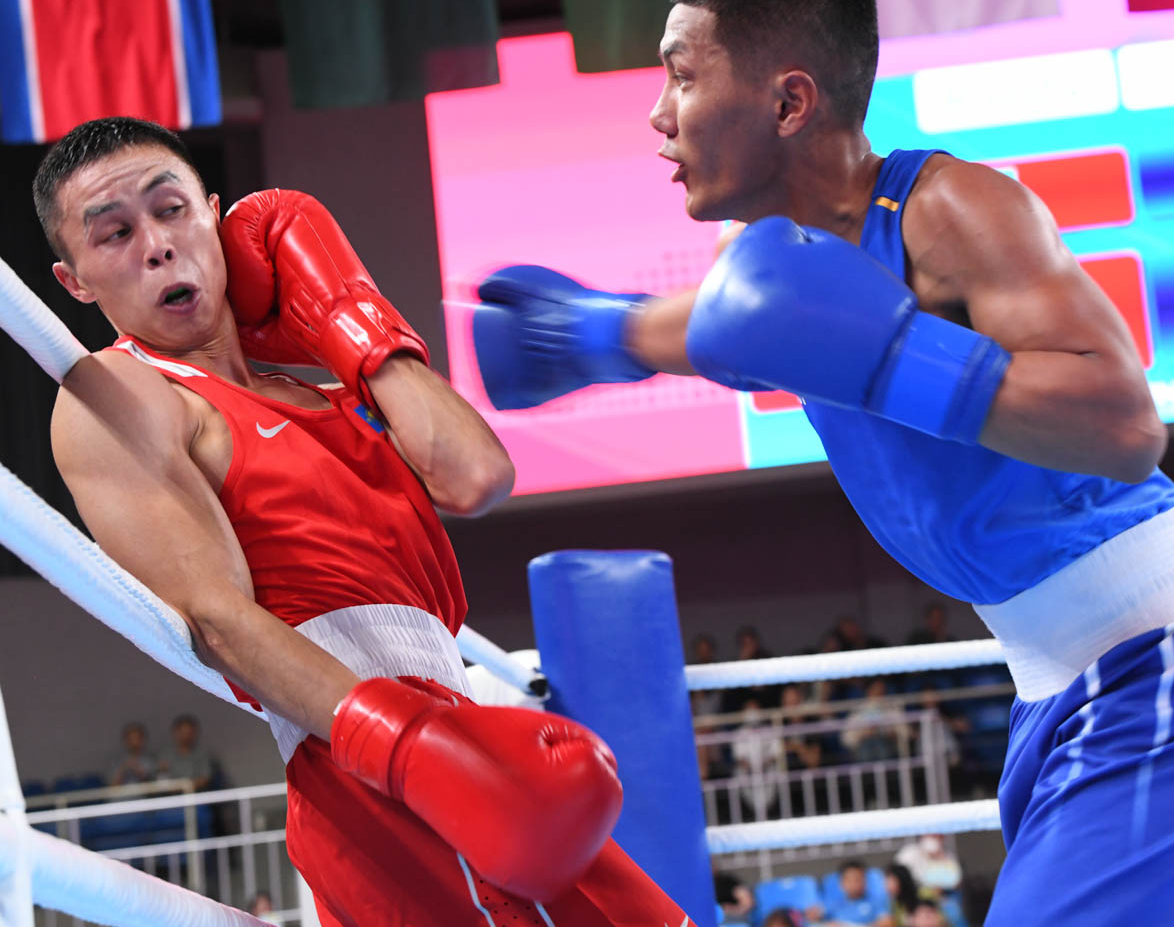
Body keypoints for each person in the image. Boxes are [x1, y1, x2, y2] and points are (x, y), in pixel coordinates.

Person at [468, 0, 1174, 925]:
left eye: (682, 75)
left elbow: (1123, 421)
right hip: (1058, 693)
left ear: (789, 102)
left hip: (1160, 674)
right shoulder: (770, 266)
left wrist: (895, 357)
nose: (658, 112)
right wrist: (586, 335)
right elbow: (725, 327)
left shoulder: (949, 210)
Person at [39, 117, 691, 927]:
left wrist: (349, 325)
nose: (158, 246)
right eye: (115, 234)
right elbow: (216, 620)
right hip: (365, 761)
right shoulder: (119, 394)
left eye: (171, 211)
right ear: (75, 281)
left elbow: (476, 475)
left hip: (460, 737)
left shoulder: (326, 393)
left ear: (214, 216)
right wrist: (407, 749)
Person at [818, 861, 891, 926]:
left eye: (857, 880)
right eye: (849, 880)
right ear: (841, 883)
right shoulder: (833, 905)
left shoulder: (874, 902)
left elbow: (887, 923)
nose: (853, 884)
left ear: (865, 881)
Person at [161, 714, 216, 792]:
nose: (186, 736)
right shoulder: (166, 753)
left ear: (195, 733)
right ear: (176, 732)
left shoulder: (202, 753)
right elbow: (161, 779)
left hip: (197, 794)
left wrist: (185, 787)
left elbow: (205, 778)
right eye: (183, 733)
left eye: (189, 733)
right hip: (171, 795)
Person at [109, 721, 157, 786]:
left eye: (137, 738)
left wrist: (139, 771)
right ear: (125, 740)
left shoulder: (151, 759)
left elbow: (155, 785)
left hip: (145, 792)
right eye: (130, 739)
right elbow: (111, 785)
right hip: (123, 792)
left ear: (143, 740)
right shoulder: (116, 760)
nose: (134, 742)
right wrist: (124, 768)